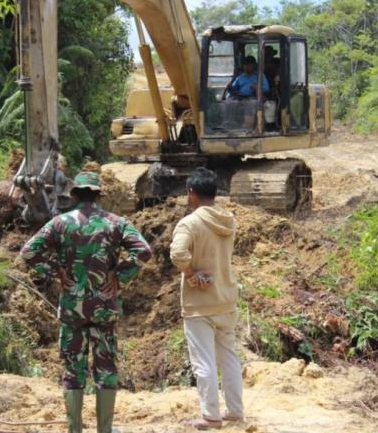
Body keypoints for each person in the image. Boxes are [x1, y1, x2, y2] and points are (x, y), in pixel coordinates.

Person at [20, 171, 152, 433]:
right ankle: (105, 430)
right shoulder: (116, 222)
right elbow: (144, 251)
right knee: (106, 369)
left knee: (73, 370)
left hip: (72, 309)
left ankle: (75, 429)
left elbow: (28, 252)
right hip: (104, 308)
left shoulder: (59, 223)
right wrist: (119, 274)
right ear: (99, 195)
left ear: (75, 194)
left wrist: (55, 271)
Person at [169, 167, 243, 430]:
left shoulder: (190, 223)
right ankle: (235, 411)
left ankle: (211, 416)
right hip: (227, 297)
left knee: (204, 362)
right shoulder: (229, 220)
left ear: (191, 194)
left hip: (200, 303)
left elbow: (177, 253)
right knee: (229, 357)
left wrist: (191, 273)